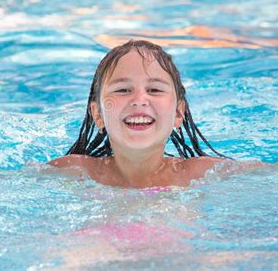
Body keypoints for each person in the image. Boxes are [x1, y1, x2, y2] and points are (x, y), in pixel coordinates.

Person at [47, 39, 229, 188]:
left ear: (178, 114)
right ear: (98, 115)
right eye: (123, 90)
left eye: (155, 90)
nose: (139, 99)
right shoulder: (72, 172)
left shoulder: (204, 175)